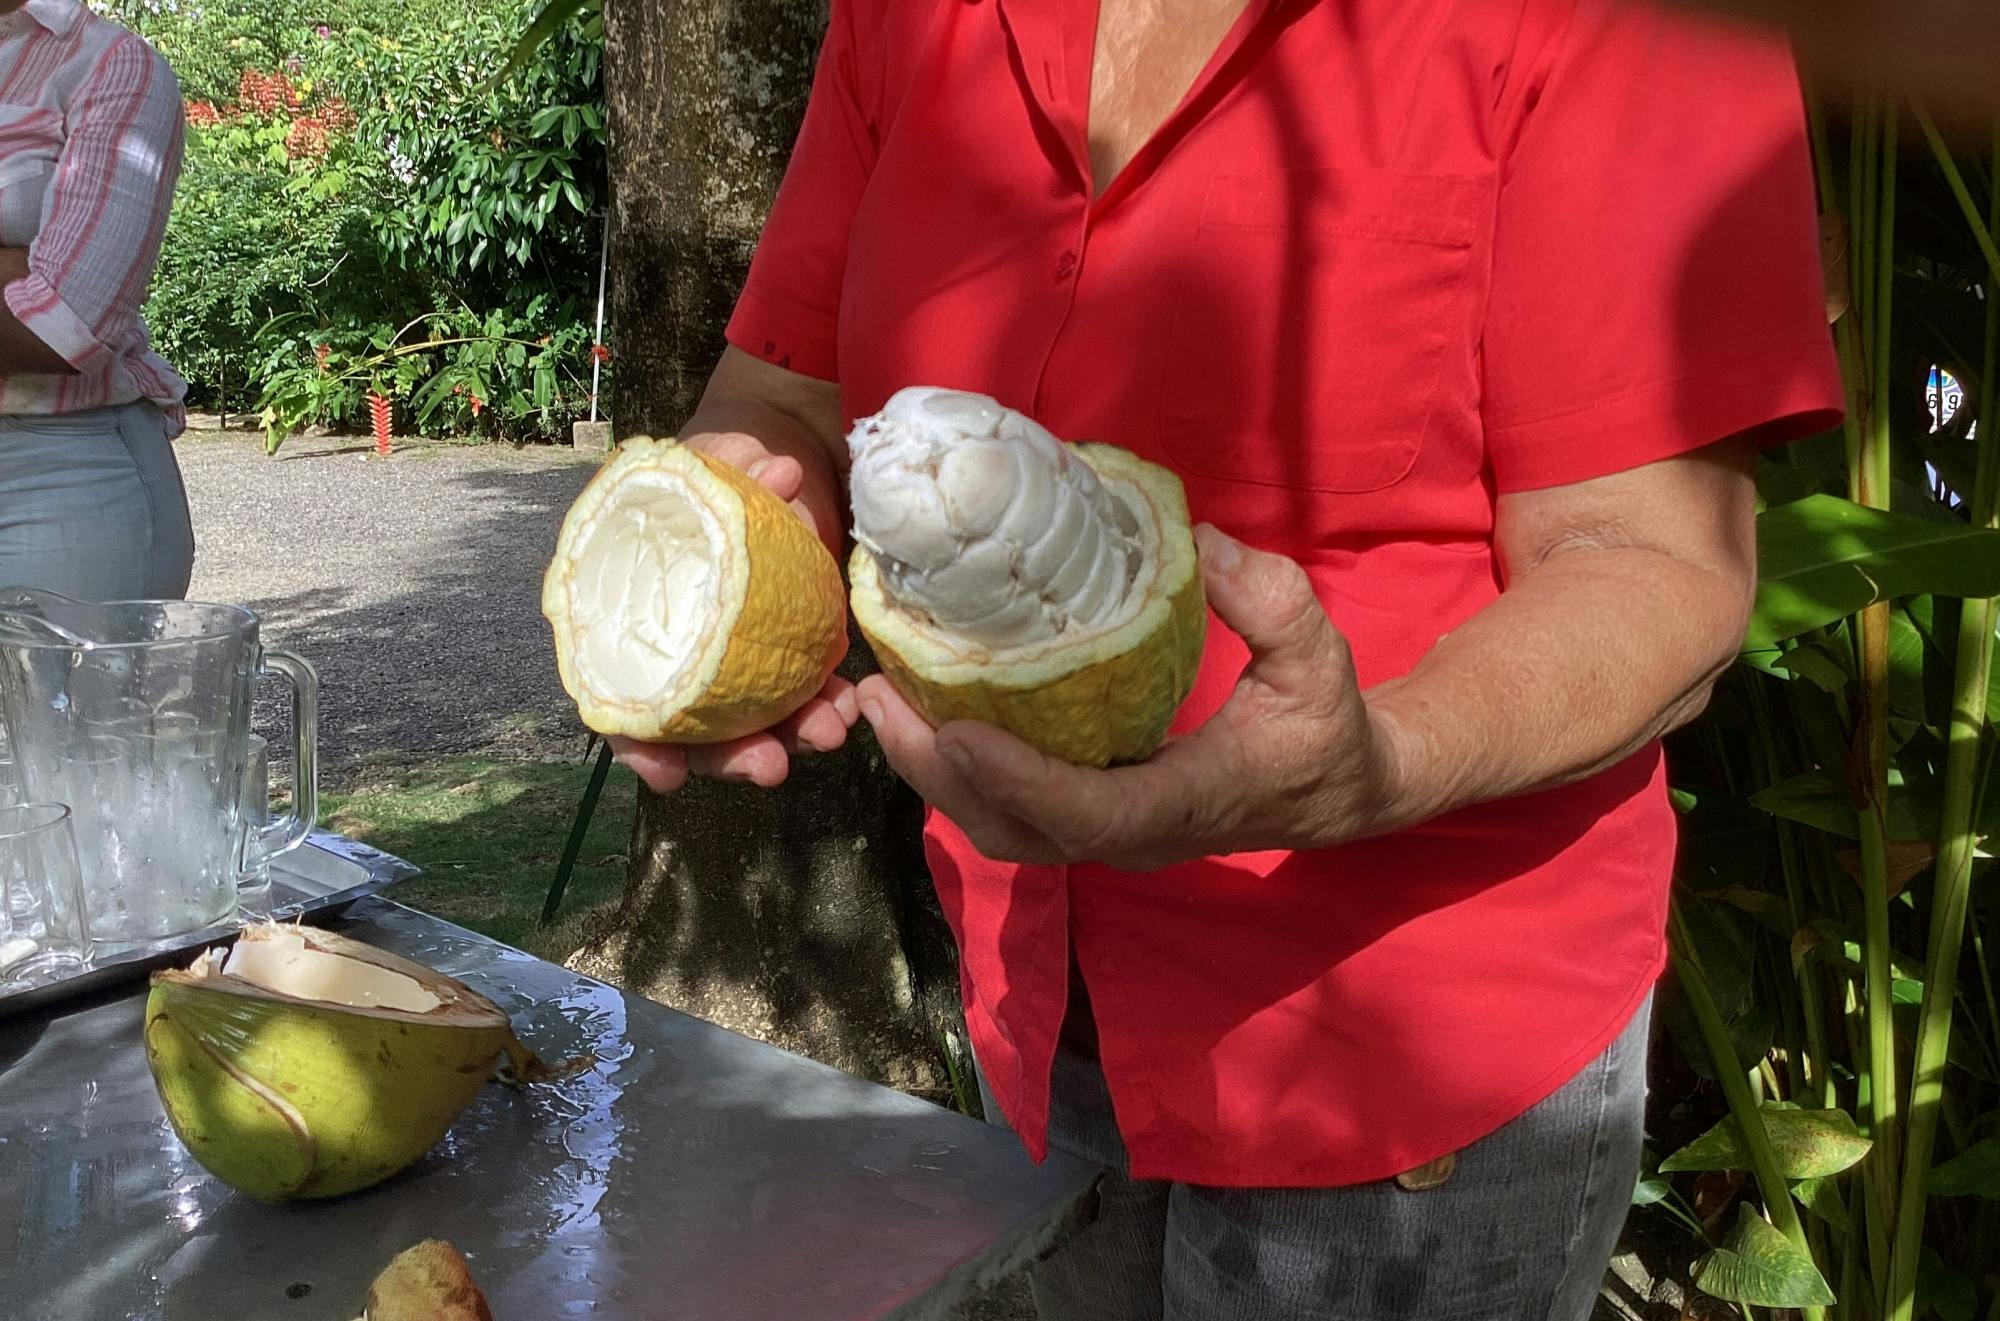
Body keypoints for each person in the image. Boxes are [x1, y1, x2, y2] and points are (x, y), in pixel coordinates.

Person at [614, 0, 1844, 1315]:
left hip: (1407, 1068)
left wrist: (1375, 763)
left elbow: (1654, 565)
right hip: (1041, 1000)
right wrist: (737, 535)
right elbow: (787, 391)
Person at [0, 0, 193, 603]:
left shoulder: (111, 65)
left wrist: (34, 287)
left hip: (51, 475)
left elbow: (62, 324)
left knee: (58, 702)